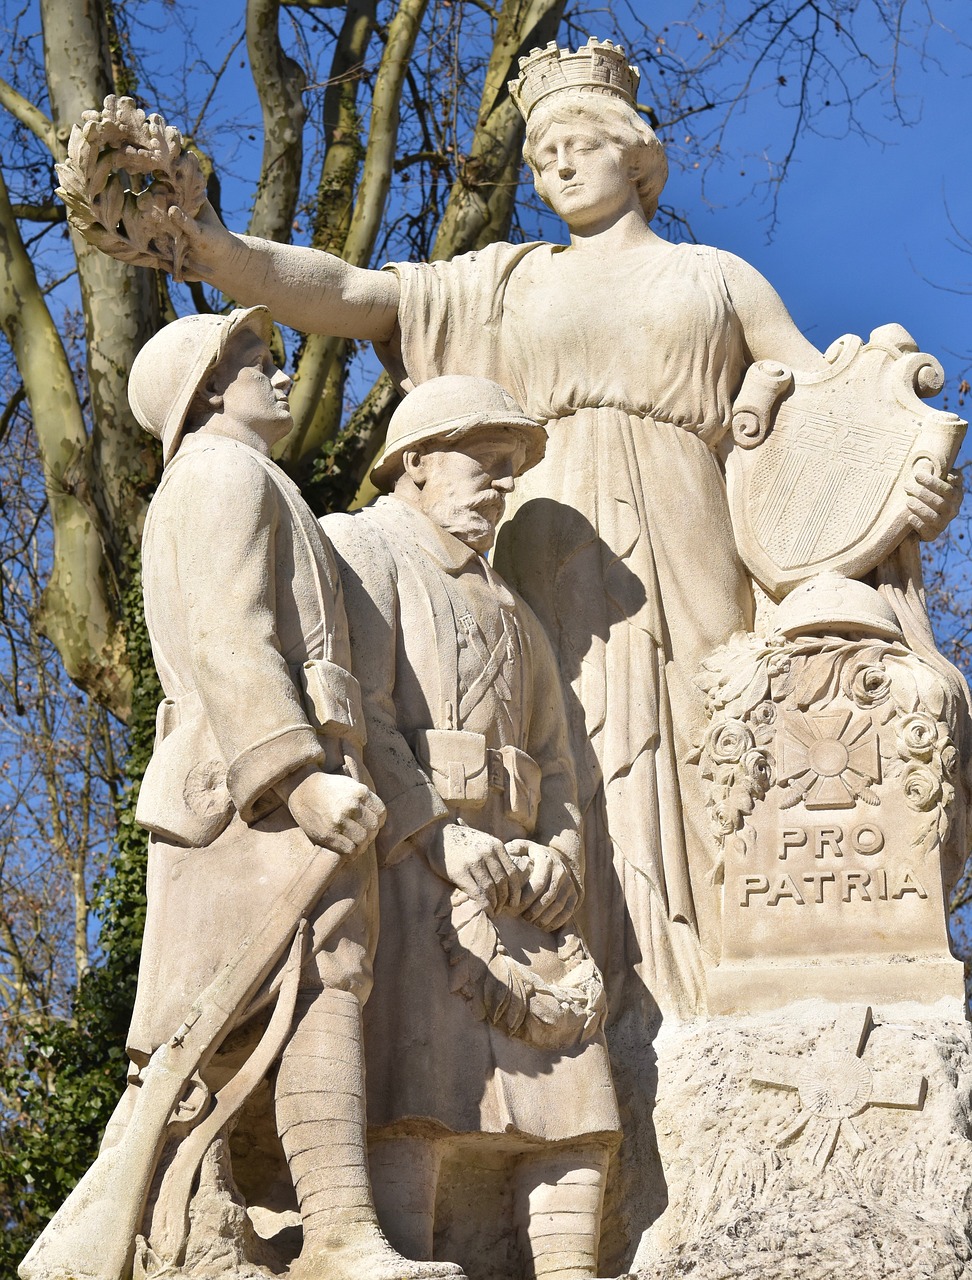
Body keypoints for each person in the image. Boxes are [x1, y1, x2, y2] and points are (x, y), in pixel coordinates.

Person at [137, 39, 959, 1027]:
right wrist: (218, 249)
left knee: (703, 748)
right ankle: (578, 1017)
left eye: (580, 144)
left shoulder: (715, 279)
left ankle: (708, 1009)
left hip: (684, 548)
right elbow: (352, 295)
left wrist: (897, 485)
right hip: (538, 540)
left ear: (636, 155)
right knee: (553, 763)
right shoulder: (499, 282)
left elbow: (828, 415)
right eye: (541, 156)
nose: (558, 166)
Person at [22, 306, 466, 1280]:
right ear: (208, 387)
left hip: (283, 775)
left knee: (315, 992)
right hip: (248, 792)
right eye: (260, 360)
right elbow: (231, 635)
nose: (280, 371)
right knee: (239, 1012)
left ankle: (328, 1229)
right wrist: (299, 779)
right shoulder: (222, 474)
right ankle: (205, 1229)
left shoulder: (251, 478)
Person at [322, 375, 622, 1280]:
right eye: (482, 464)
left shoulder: (517, 612)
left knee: (577, 1109)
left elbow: (557, 762)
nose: (499, 486)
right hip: (416, 872)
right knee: (420, 1096)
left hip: (524, 894)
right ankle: (406, 1260)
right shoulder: (365, 551)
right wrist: (435, 835)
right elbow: (358, 715)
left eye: (510, 472)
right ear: (414, 461)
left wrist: (563, 855)